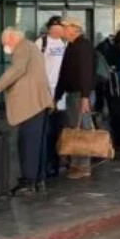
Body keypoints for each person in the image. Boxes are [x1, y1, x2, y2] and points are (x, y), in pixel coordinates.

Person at [0, 28, 53, 196]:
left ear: (11, 37)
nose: (5, 47)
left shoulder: (23, 47)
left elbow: (18, 69)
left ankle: (28, 182)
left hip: (31, 105)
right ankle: (39, 179)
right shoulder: (32, 46)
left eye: (4, 43)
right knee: (38, 144)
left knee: (28, 143)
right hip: (39, 103)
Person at [55, 18, 95, 180]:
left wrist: (85, 96)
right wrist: (56, 96)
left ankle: (83, 166)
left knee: (83, 130)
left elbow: (86, 72)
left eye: (65, 27)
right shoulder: (71, 46)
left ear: (74, 29)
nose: (62, 29)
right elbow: (64, 73)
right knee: (74, 129)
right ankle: (76, 163)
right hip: (73, 94)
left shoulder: (83, 45)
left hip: (80, 94)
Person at [36, 17, 69, 180]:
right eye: (57, 26)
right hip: (45, 92)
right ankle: (46, 165)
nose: (60, 29)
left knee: (58, 130)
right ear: (50, 28)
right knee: (46, 130)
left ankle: (56, 163)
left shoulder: (64, 43)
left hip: (61, 93)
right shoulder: (41, 43)